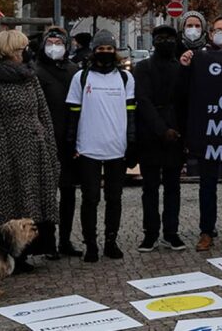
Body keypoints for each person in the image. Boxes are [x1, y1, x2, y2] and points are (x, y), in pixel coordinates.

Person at [0, 30, 59, 272]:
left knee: (32, 201)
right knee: (5, 204)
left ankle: (26, 252)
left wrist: (48, 143)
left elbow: (42, 112)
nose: (23, 54)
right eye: (18, 50)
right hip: (5, 152)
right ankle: (3, 257)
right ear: (7, 51)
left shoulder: (30, 77)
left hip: (34, 150)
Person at [180, 17, 222, 252]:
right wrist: (186, 62)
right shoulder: (199, 58)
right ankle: (206, 231)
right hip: (207, 133)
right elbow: (185, 90)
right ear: (210, 34)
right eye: (218, 30)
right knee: (207, 185)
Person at [66, 30, 134, 262]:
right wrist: (71, 143)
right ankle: (91, 244)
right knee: (90, 198)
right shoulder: (81, 77)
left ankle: (111, 242)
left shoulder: (126, 78)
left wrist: (131, 143)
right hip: (88, 148)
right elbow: (73, 113)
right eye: (100, 48)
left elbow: (131, 113)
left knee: (114, 198)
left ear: (115, 51)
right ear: (94, 51)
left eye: (109, 49)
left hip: (117, 148)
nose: (105, 52)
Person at [133, 24, 187, 252]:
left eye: (170, 38)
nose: (166, 42)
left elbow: (185, 101)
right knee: (150, 188)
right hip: (151, 135)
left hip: (176, 134)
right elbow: (142, 100)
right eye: (161, 37)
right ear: (153, 41)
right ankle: (150, 233)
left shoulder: (182, 68)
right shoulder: (142, 67)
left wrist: (178, 130)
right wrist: (161, 129)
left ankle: (171, 232)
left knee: (173, 187)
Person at [34, 27, 82, 258]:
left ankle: (65, 240)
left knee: (68, 192)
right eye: (50, 42)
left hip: (69, 140)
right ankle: (48, 242)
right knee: (47, 193)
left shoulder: (74, 71)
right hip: (44, 141)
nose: (54, 46)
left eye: (58, 42)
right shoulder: (36, 71)